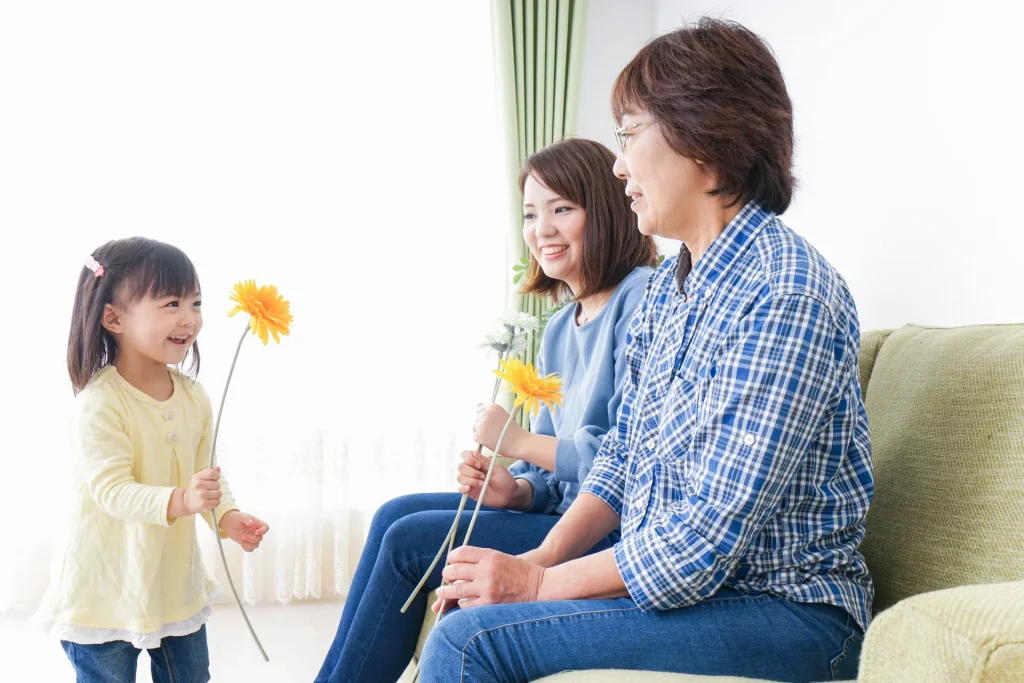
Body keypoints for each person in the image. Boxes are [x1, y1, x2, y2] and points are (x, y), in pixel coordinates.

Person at [421, 18, 873, 683]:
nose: (619, 164)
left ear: (704, 135)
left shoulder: (784, 292)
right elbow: (622, 456)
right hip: (702, 598)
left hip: (787, 614)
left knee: (470, 643)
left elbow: (704, 538)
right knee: (465, 613)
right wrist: (539, 559)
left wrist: (535, 586)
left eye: (629, 134)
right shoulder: (667, 290)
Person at [313, 137, 657, 683]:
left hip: (604, 535)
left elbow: (628, 460)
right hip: (557, 515)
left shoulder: (642, 298)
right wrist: (515, 489)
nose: (541, 229)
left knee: (409, 540)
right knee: (392, 515)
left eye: (562, 209)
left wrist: (517, 443)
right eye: (530, 214)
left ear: (608, 210)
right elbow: (547, 475)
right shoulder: (560, 328)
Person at [34, 237, 270, 683]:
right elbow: (113, 492)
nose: (189, 318)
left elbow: (206, 474)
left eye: (196, 302)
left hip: (173, 586)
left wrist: (226, 516)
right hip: (103, 592)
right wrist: (183, 500)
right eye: (171, 303)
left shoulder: (193, 397)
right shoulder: (100, 403)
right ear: (113, 318)